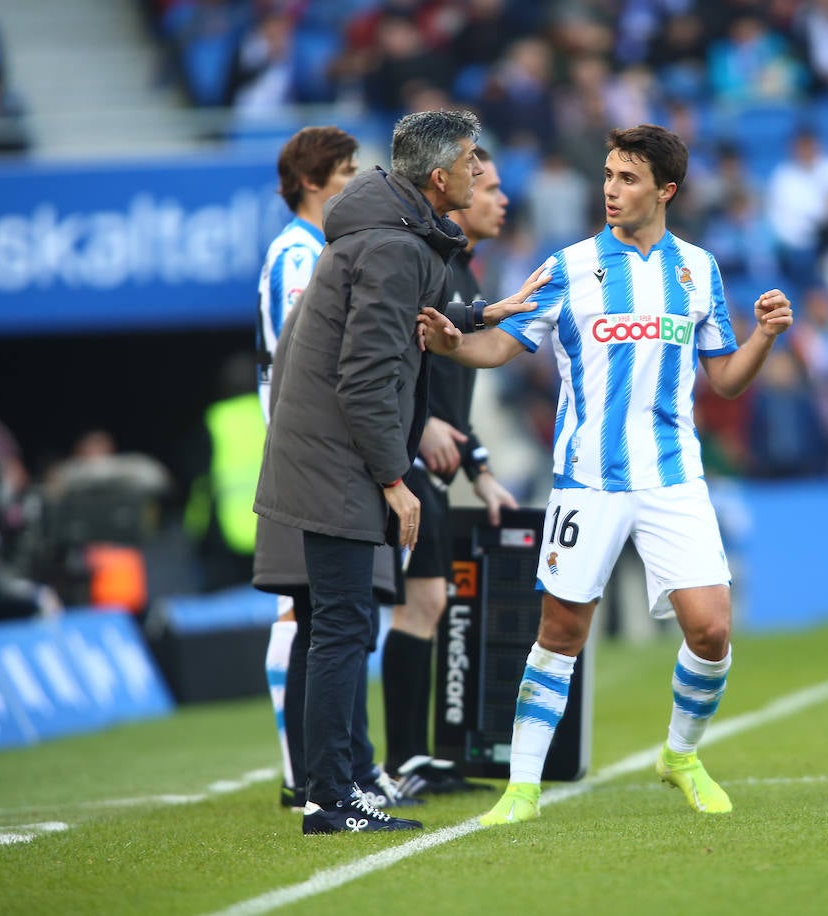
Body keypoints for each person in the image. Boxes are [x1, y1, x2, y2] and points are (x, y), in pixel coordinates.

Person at [418, 124, 794, 825]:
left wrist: (765, 338)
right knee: (560, 633)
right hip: (587, 481)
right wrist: (451, 345)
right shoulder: (570, 267)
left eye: (627, 178)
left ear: (666, 190)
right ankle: (521, 790)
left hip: (673, 477)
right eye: (609, 176)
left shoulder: (699, 270)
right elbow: (501, 346)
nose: (611, 190)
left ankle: (680, 754)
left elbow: (725, 378)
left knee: (712, 631)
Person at [253, 109, 547, 835]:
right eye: (473, 160)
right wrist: (395, 478)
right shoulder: (392, 245)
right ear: (439, 178)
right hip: (336, 459)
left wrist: (486, 314)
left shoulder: (395, 235)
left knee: (339, 623)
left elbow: (413, 323)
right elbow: (363, 379)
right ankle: (330, 797)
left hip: (330, 453)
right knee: (340, 625)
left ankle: (341, 784)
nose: (482, 172)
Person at [249, 126, 410, 815]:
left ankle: (341, 775)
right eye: (345, 171)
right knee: (320, 620)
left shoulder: (316, 248)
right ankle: (319, 781)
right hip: (314, 458)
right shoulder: (301, 255)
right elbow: (310, 359)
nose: (355, 181)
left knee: (331, 620)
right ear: (313, 181)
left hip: (314, 455)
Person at [379, 147, 514, 797]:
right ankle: (400, 761)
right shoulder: (428, 264)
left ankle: (415, 756)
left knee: (428, 602)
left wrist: (479, 468)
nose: (501, 200)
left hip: (429, 462)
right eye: (488, 188)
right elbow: (395, 356)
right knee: (419, 603)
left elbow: (451, 400)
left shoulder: (463, 272)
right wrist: (420, 424)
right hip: (401, 462)